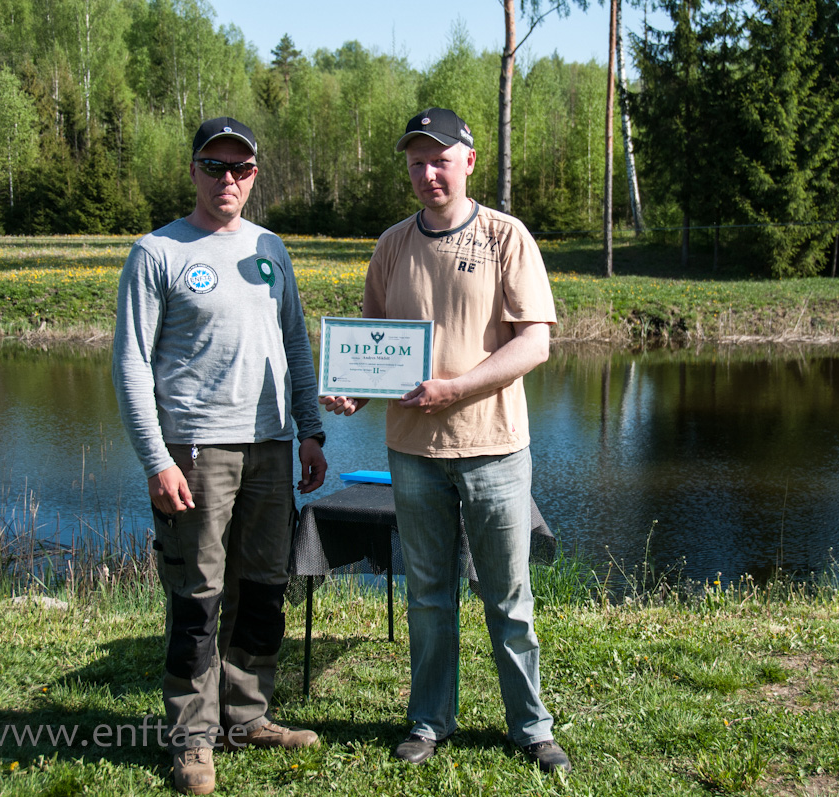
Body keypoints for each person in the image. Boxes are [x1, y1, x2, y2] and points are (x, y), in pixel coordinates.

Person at [320, 107, 571, 774]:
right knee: (429, 596)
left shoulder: (504, 237)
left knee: (508, 596)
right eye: (416, 162)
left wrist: (455, 390)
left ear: (468, 160)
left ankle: (531, 726)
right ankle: (430, 720)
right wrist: (351, 390)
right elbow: (373, 346)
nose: (428, 173)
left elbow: (535, 342)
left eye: (439, 159)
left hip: (492, 449)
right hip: (413, 456)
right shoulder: (392, 244)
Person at [113, 117, 327, 796]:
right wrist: (157, 459)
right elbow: (130, 365)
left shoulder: (271, 247)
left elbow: (294, 342)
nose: (227, 180)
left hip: (270, 446)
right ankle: (192, 737)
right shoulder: (157, 253)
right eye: (214, 166)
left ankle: (248, 714)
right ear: (194, 170)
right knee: (198, 597)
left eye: (241, 168)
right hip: (195, 451)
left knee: (263, 589)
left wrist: (312, 431)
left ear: (256, 174)